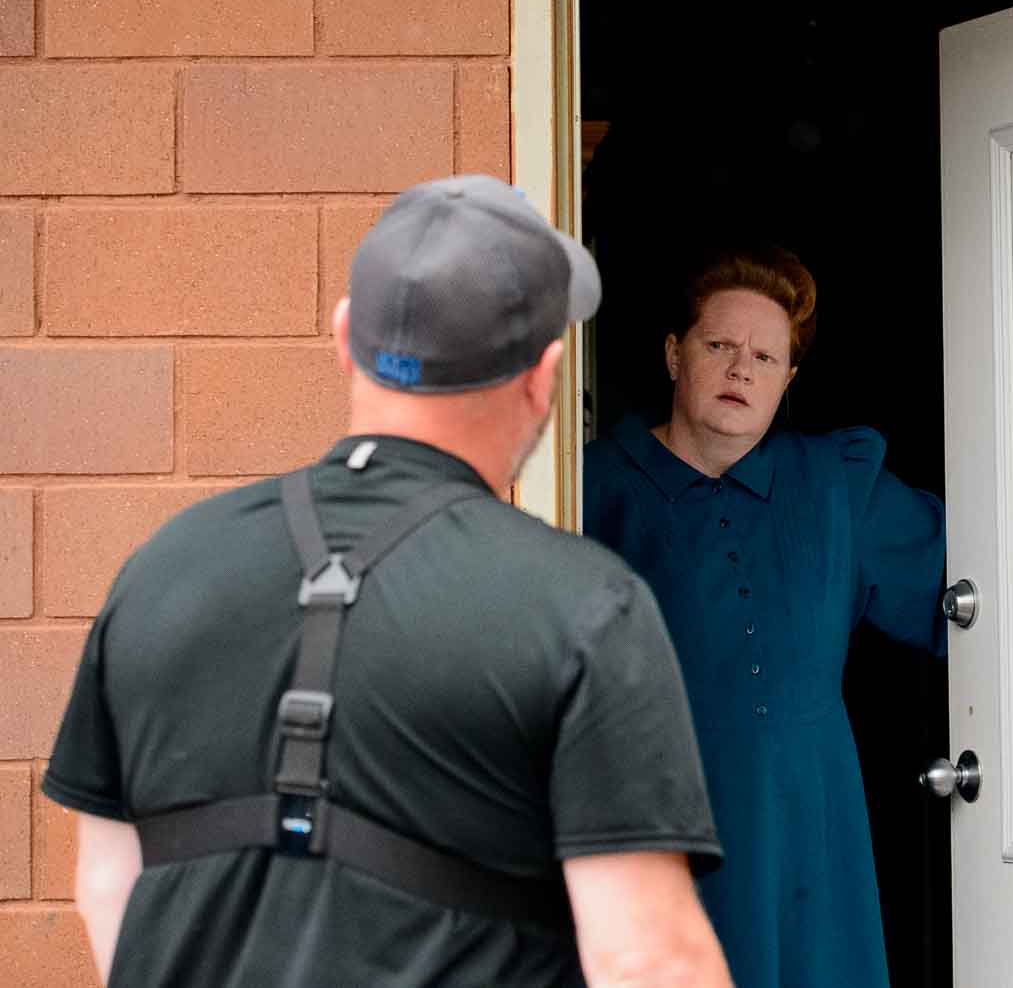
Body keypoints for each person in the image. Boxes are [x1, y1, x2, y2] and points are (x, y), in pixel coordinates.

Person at [42, 175, 732, 988]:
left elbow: (107, 878)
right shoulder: (586, 608)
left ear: (343, 338)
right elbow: (646, 958)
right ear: (542, 376)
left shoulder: (161, 566)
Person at [584, 245, 947, 988]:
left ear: (787, 380)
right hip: (659, 817)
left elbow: (979, 597)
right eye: (718, 346)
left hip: (811, 813)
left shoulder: (837, 484)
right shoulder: (592, 487)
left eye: (764, 356)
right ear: (673, 355)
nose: (740, 369)